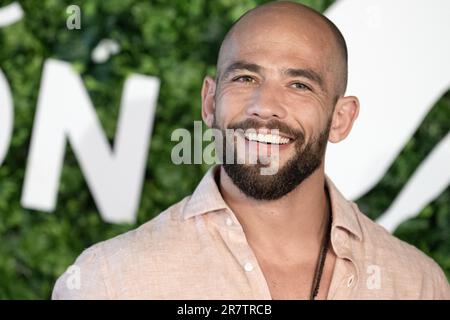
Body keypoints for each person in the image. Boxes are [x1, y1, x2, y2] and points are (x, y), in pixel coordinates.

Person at [52, 1, 450, 299]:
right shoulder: (107, 282)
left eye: (299, 85)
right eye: (245, 77)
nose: (264, 105)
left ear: (341, 118)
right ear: (210, 101)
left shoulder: (418, 284)